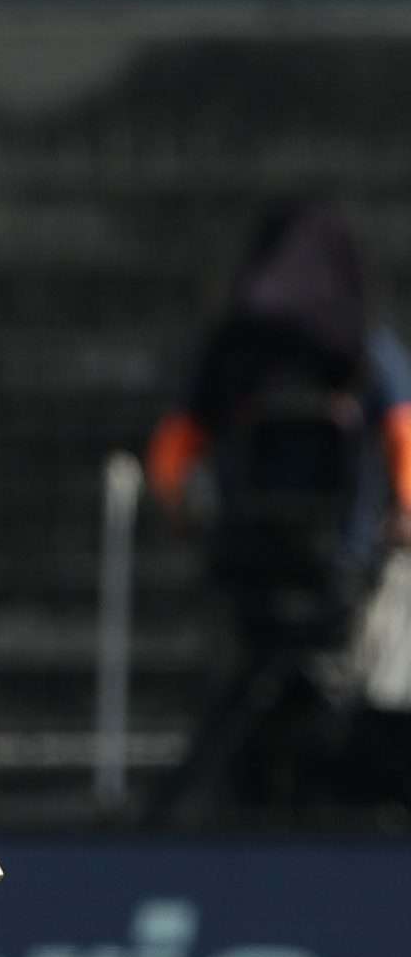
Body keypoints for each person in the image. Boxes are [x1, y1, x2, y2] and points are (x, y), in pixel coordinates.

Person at [141, 200, 411, 824]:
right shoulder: (364, 341)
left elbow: (172, 451)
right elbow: (401, 434)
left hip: (246, 561)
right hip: (340, 564)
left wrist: (189, 514)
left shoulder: (235, 342)